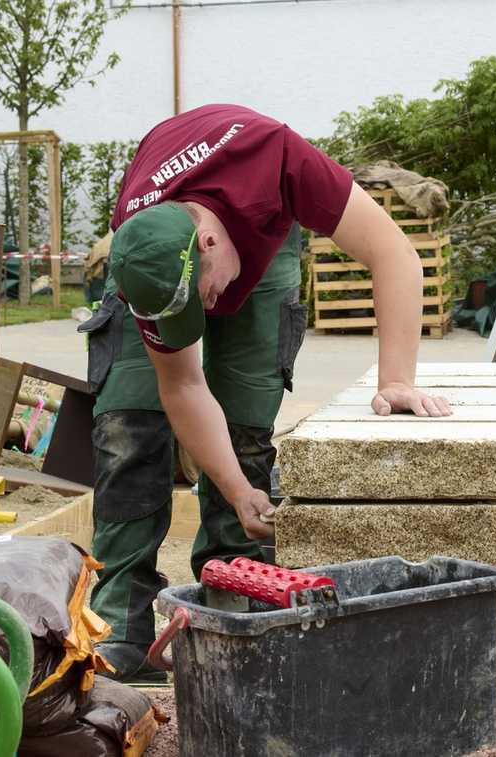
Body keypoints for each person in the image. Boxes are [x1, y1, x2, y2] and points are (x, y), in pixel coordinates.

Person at [80, 104, 451, 682]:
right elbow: (182, 384)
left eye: (197, 296)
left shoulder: (278, 156)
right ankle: (117, 630)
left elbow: (393, 252)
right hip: (162, 249)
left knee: (244, 426)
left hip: (261, 234)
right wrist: (229, 486)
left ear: (206, 242)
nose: (202, 313)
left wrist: (396, 379)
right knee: (128, 430)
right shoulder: (149, 248)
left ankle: (235, 609)